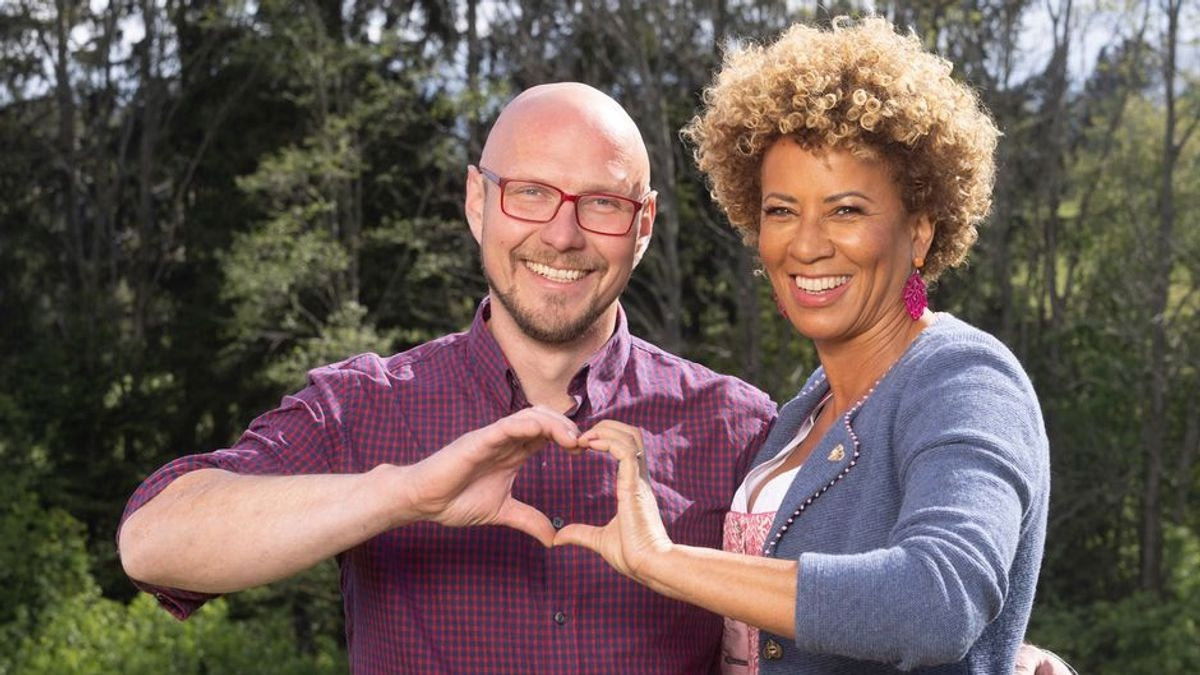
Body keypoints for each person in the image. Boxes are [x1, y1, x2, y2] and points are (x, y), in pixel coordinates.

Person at [119, 81, 1069, 673]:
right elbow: (154, 541)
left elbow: (893, 592)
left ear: (644, 224)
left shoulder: (741, 426)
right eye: (530, 192)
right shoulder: (365, 406)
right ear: (477, 201)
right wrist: (402, 492)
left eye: (602, 204)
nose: (562, 232)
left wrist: (1002, 653)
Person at [556, 18, 1051, 674]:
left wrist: (665, 561)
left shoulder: (964, 378)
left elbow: (939, 598)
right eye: (782, 210)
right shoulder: (799, 413)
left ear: (920, 232)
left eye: (846, 210)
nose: (807, 244)